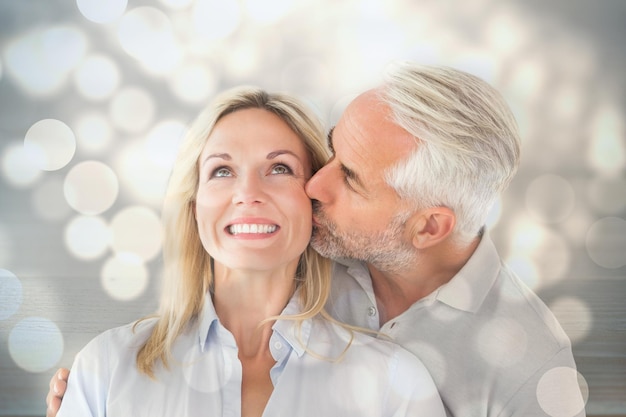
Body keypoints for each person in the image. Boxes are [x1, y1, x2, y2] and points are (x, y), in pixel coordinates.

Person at [49, 63, 586, 416]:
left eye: (349, 177)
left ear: (428, 227)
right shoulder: (332, 241)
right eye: (329, 151)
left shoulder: (530, 368)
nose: (315, 184)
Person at [52, 86, 445, 417]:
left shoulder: (393, 383)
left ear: (314, 200)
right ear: (194, 206)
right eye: (222, 171)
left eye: (280, 169)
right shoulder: (106, 368)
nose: (248, 194)